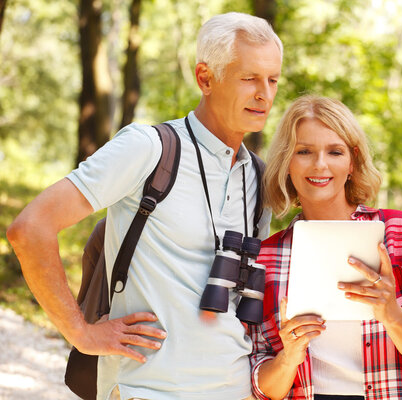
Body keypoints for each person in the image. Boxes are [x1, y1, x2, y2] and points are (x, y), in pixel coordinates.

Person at [7, 12, 282, 400]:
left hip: (236, 390)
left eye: (273, 80)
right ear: (205, 78)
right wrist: (81, 334)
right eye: (249, 78)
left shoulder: (259, 178)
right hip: (148, 390)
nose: (265, 94)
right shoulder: (149, 148)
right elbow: (30, 228)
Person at [248, 95, 402, 400]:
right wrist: (289, 356)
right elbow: (262, 387)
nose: (320, 165)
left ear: (352, 162)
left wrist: (390, 312)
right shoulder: (265, 258)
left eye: (335, 151)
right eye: (304, 151)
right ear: (287, 162)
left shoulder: (401, 234)